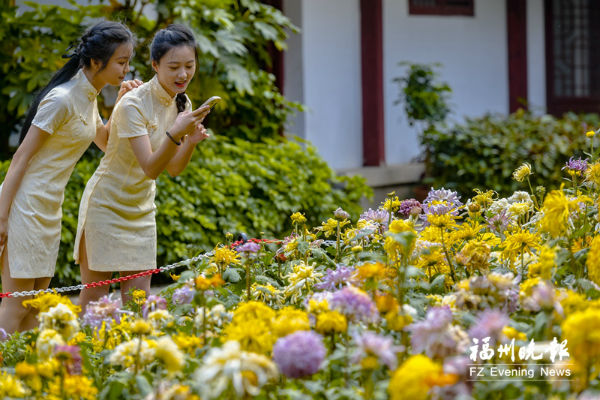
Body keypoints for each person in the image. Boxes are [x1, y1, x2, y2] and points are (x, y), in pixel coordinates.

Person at [0, 21, 141, 334]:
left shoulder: (87, 96)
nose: (126, 69)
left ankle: (27, 379)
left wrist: (120, 102)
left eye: (128, 62)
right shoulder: (62, 99)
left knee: (37, 306)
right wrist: (2, 216)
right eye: (121, 62)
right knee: (17, 304)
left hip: (49, 209)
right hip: (25, 207)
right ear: (95, 62)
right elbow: (20, 157)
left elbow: (105, 142)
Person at [75, 24, 211, 311]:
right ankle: (78, 356)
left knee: (139, 308)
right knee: (94, 306)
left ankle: (133, 358)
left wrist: (191, 141)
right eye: (174, 66)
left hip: (142, 211)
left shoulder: (184, 105)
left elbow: (172, 169)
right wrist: (176, 133)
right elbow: (150, 167)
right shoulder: (132, 104)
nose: (183, 74)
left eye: (189, 65)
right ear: (154, 65)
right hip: (105, 207)